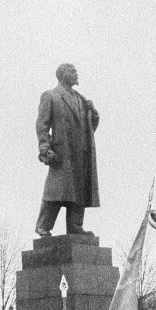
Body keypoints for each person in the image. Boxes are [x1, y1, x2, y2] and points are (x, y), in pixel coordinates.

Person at [34, 62, 100, 236]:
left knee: (80, 191)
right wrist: (44, 146)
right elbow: (42, 125)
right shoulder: (51, 96)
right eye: (73, 71)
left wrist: (93, 112)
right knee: (56, 191)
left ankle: (75, 226)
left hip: (82, 153)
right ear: (63, 75)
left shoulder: (82, 99)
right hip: (62, 153)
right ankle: (44, 226)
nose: (76, 74)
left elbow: (90, 128)